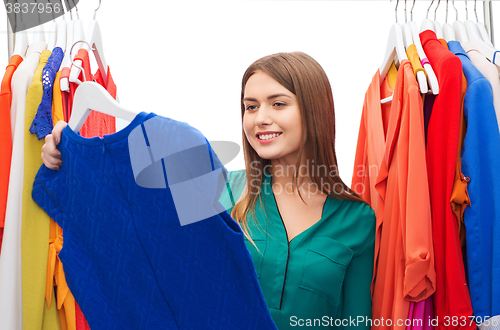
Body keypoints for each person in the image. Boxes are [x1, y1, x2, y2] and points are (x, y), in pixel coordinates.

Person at [42, 51, 375, 329]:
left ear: (315, 111)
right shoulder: (216, 188)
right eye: (251, 106)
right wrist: (68, 154)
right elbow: (125, 220)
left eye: (278, 103)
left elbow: (355, 322)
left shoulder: (357, 219)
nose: (259, 118)